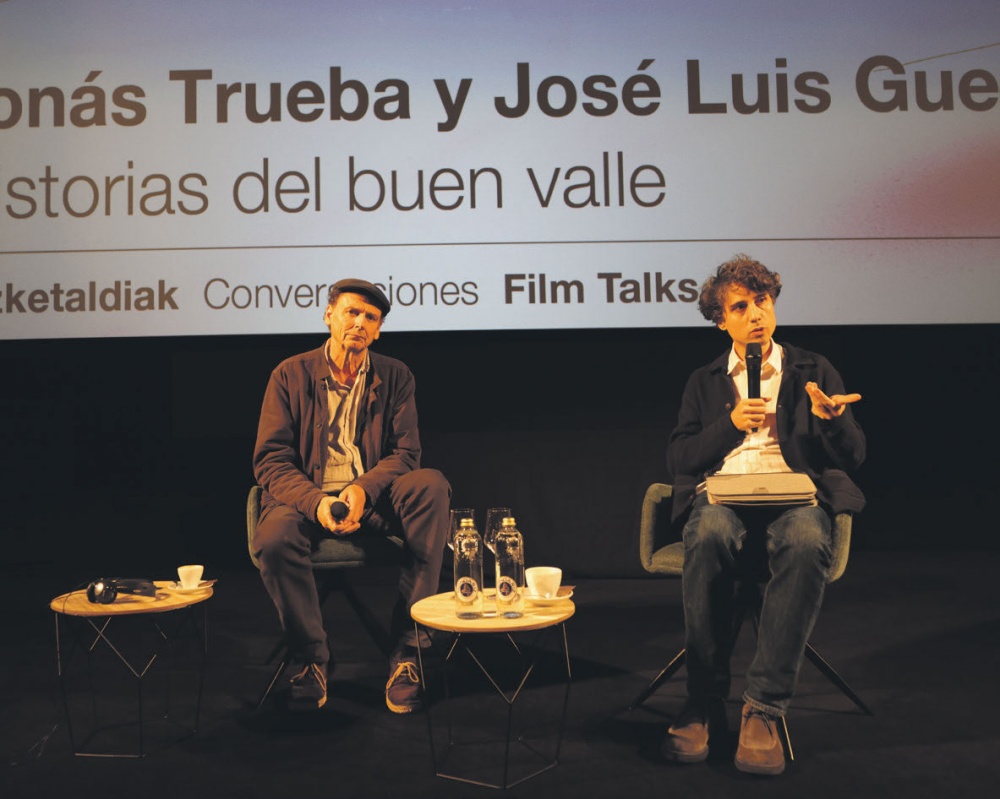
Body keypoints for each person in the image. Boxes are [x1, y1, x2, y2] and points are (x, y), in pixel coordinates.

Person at [662, 254, 866, 775]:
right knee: (708, 531)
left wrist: (833, 421)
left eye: (762, 300)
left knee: (806, 539)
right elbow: (680, 459)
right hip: (725, 493)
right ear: (721, 320)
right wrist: (730, 424)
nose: (755, 314)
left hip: (793, 493)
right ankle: (703, 699)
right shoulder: (704, 381)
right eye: (740, 307)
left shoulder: (812, 369)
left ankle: (764, 708)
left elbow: (854, 456)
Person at [252, 278, 450, 713]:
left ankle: (409, 652)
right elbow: (270, 460)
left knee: (431, 486)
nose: (359, 323)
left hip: (373, 497)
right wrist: (317, 502)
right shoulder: (289, 374)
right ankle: (310, 658)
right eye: (351, 312)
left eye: (370, 318)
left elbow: (406, 454)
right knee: (273, 537)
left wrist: (362, 489)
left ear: (378, 331)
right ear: (329, 316)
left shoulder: (396, 375)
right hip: (305, 498)